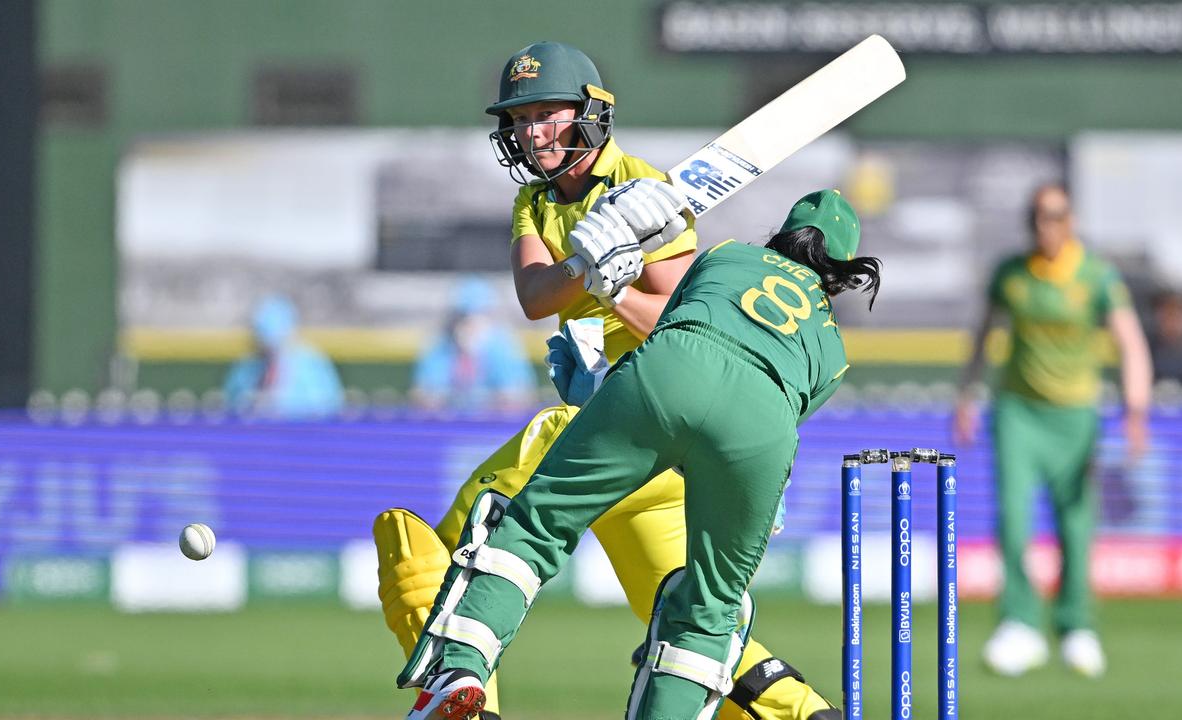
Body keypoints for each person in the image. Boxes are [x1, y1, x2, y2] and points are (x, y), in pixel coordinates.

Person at [373, 41, 841, 720]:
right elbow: (537, 294)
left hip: (644, 413)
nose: (532, 132)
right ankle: (806, 714)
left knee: (442, 548)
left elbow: (691, 326)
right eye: (521, 117)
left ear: (591, 112)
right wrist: (587, 268)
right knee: (686, 618)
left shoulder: (644, 188)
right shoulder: (535, 204)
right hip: (622, 440)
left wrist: (616, 288)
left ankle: (460, 691)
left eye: (546, 113)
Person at [403, 188, 881, 720]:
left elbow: (672, 340)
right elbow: (752, 416)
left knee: (536, 523)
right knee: (710, 608)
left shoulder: (727, 255)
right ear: (840, 271)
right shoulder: (835, 353)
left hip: (669, 372)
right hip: (762, 434)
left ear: (783, 233)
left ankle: (461, 669)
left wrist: (608, 391)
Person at [952, 183, 1153, 679]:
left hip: (1075, 415)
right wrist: (967, 394)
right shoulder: (1012, 274)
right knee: (1014, 520)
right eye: (1040, 216)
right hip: (1017, 411)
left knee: (1075, 524)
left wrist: (1135, 411)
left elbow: (1130, 343)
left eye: (1058, 215)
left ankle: (1076, 626)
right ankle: (1020, 625)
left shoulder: (1096, 275)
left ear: (1072, 220)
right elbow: (986, 331)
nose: (1049, 225)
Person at [412, 276, 536, 411]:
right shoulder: (439, 346)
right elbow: (424, 397)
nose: (470, 325)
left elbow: (518, 398)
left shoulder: (504, 346)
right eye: (463, 317)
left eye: (478, 317)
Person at [222, 294, 344, 419]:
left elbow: (327, 407)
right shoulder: (246, 366)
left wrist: (279, 404)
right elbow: (231, 405)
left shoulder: (311, 363)